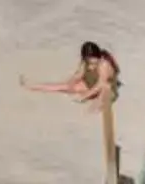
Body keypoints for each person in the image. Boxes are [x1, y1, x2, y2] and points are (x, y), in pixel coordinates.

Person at [24, 43, 123, 182]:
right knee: (64, 86)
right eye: (89, 60)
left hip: (106, 89)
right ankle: (34, 86)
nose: (91, 63)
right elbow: (79, 74)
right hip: (90, 83)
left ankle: (92, 110)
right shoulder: (85, 63)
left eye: (93, 60)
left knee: (102, 93)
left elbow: (100, 84)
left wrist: (85, 96)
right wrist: (70, 84)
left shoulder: (103, 65)